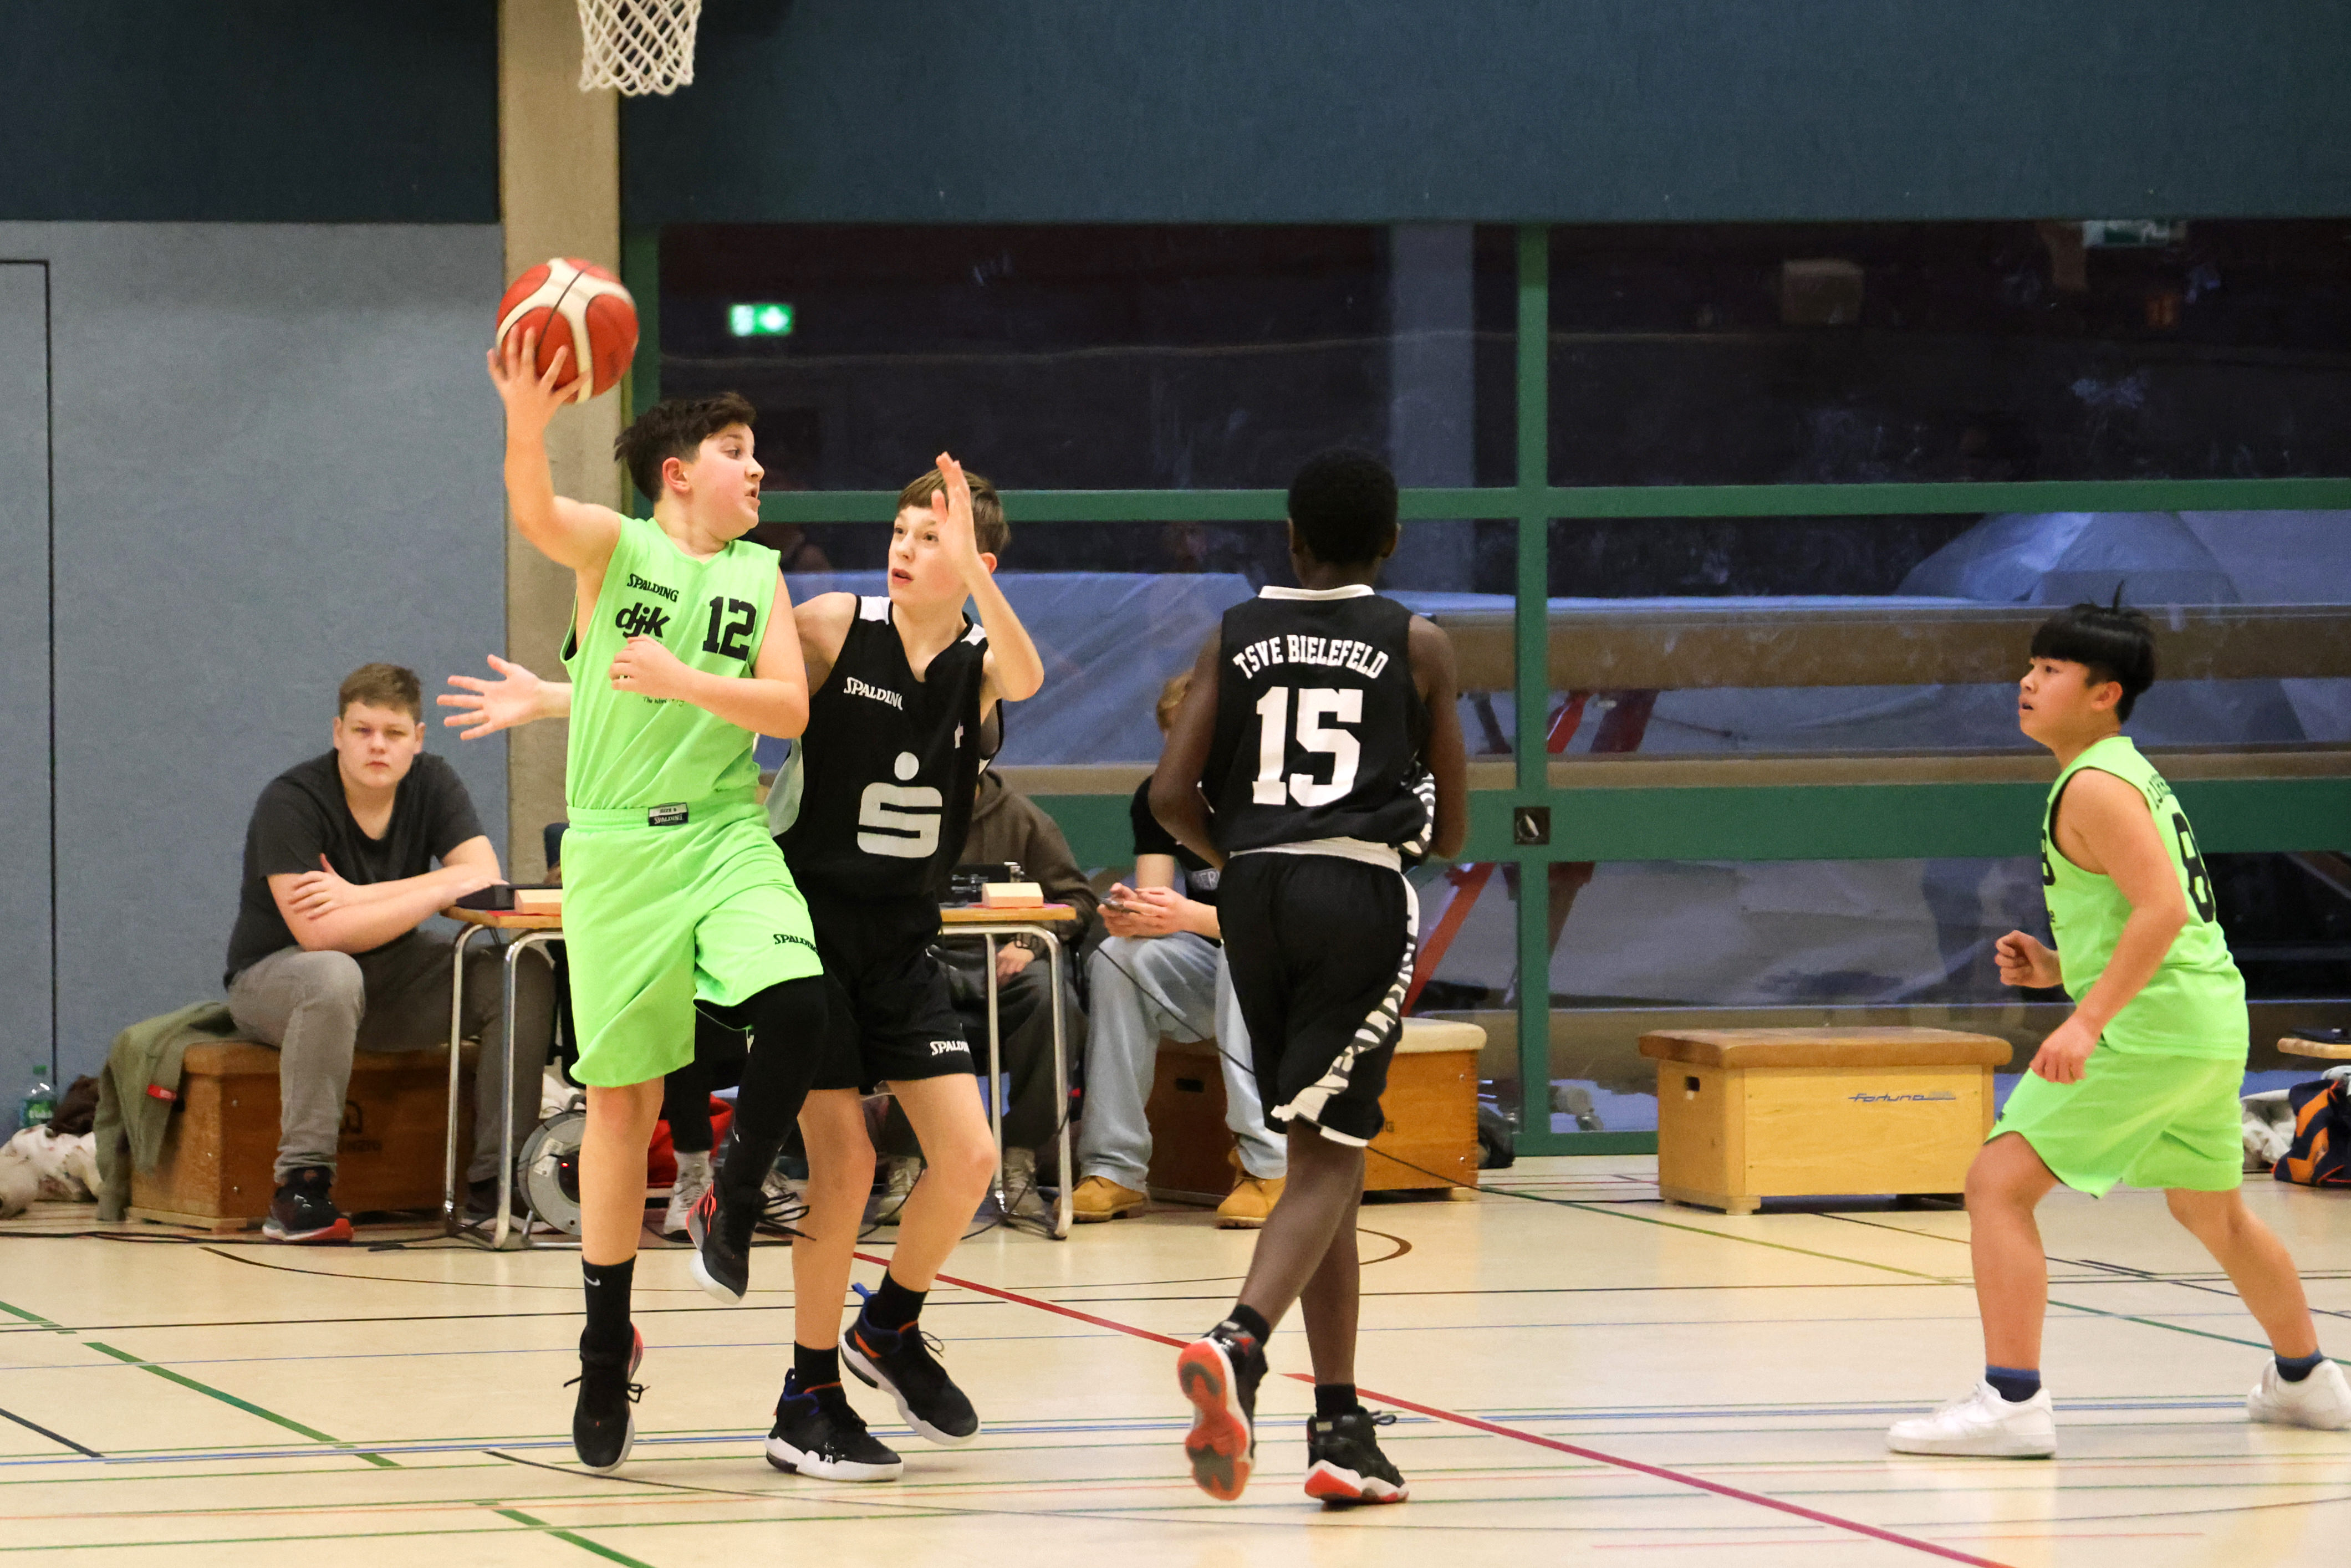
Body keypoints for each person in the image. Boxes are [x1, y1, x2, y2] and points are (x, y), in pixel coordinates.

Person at [446, 459, 1046, 1484]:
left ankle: (890, 1323)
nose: (904, 550)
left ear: (977, 564)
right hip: (805, 919)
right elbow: (693, 682)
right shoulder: (832, 625)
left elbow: (1026, 676)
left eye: (931, 538)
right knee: (845, 1167)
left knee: (971, 1156)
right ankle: (807, 1393)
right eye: (900, 531)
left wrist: (980, 584)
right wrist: (554, 696)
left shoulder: (984, 662)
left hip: (904, 938)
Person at [1886, 600, 2349, 1458]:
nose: (2028, 681)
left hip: (2150, 1027)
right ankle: (2306, 1380)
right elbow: (2150, 911)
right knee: (2212, 1212)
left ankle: (2011, 1401)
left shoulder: (2094, 784)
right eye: (2030, 666)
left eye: (2051, 670)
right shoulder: (2123, 772)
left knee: (1997, 1184)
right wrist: (2063, 967)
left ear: (2105, 695)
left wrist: (2087, 1018)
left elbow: (2162, 908)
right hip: (2203, 1021)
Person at [486, 331, 831, 1475]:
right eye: (736, 451)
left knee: (799, 1000)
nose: (757, 467)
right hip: (618, 851)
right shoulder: (619, 545)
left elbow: (787, 709)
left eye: (757, 452)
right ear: (678, 471)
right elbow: (538, 513)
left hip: (724, 830)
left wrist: (686, 682)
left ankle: (731, 1189)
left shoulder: (760, 574)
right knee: (622, 1106)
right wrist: (525, 420)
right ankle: (603, 1344)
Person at [1149, 449, 1467, 1507]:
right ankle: (1240, 1343)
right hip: (1356, 893)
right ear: (1392, 541)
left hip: (1254, 894)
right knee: (1331, 1159)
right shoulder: (1418, 641)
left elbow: (1169, 793)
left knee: (1320, 1148)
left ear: (1290, 538)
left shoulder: (1233, 632)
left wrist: (1243, 858)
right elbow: (1453, 830)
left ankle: (1340, 1426)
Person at [225, 662, 554, 1243]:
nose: (378, 745)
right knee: (332, 974)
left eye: (394, 733)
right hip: (279, 981)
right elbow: (320, 934)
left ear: (417, 739)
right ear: (338, 733)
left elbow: (484, 878)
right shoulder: (291, 801)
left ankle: (498, 1184)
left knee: (522, 970)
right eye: (363, 730)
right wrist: (439, 886)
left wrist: (358, 897)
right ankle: (301, 1186)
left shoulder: (433, 782)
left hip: (391, 978)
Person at [1076, 671, 1287, 1226]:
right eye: (1173, 739)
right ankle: (1114, 1168)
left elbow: (1285, 921)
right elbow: (1155, 901)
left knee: (1244, 956)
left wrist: (1189, 916)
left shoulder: (1271, 797)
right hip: (1217, 965)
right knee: (1117, 960)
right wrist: (1132, 916)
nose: (1182, 754)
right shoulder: (1160, 796)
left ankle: (1268, 1164)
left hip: (1291, 972)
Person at [880, 764, 1098, 1224]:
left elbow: (1077, 900)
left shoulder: (1024, 819)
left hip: (1004, 964)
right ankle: (906, 1158)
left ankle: (1020, 1155)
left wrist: (1030, 940)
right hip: (925, 959)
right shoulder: (894, 812)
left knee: (1052, 1000)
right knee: (897, 991)